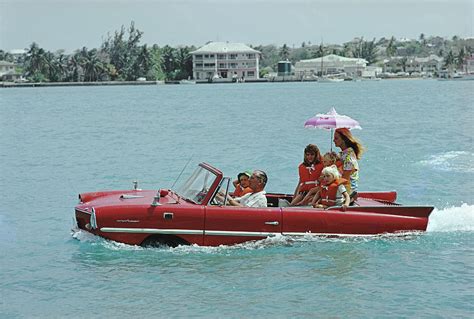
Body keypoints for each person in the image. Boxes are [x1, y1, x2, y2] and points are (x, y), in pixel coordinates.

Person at [333, 128, 365, 196]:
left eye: (336, 138)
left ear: (344, 139)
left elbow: (344, 179)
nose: (333, 140)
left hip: (348, 193)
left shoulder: (348, 158)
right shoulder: (343, 154)